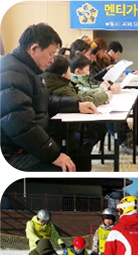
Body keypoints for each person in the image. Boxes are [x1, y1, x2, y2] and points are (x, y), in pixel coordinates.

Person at [0, 23, 97, 172]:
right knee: (66, 167)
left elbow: (45, 101)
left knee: (79, 158)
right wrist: (53, 155)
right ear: (34, 49)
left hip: (24, 145)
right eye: (50, 54)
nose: (52, 60)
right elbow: (21, 125)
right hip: (13, 153)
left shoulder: (26, 70)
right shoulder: (13, 73)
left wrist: (77, 105)